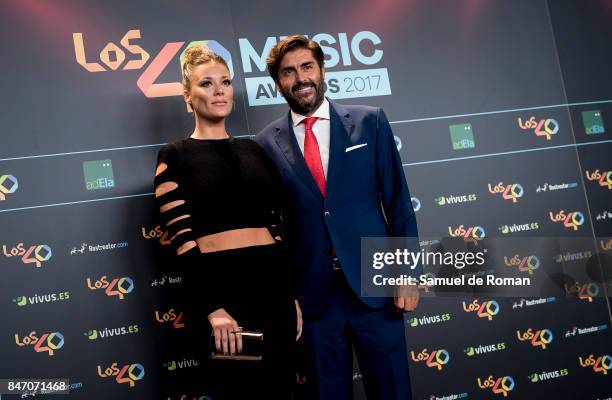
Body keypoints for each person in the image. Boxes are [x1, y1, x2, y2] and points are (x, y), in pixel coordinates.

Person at [256, 35, 421, 399]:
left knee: (392, 390)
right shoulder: (265, 144)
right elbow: (274, 228)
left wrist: (407, 274)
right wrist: (287, 297)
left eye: (306, 67)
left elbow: (399, 203)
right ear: (278, 82)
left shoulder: (369, 122)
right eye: (288, 72)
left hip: (376, 289)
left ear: (321, 69)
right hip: (314, 302)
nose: (300, 78)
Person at [154, 45, 301, 399]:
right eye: (206, 83)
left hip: (273, 290)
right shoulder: (174, 155)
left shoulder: (255, 150)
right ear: (188, 97)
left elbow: (278, 228)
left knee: (282, 389)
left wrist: (291, 296)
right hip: (224, 294)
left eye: (225, 82)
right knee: (239, 390)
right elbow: (184, 241)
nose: (219, 90)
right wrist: (212, 307)